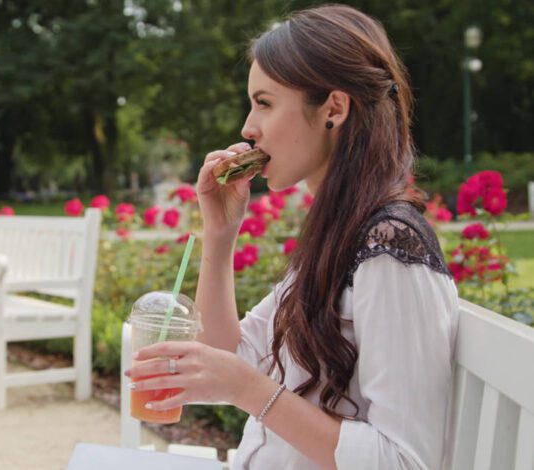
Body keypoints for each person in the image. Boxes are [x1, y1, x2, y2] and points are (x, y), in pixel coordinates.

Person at [125, 4, 459, 470]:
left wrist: (248, 388)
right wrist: (220, 238)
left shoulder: (389, 249)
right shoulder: (337, 236)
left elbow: (403, 461)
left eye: (264, 103)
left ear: (334, 109)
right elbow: (227, 355)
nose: (248, 127)